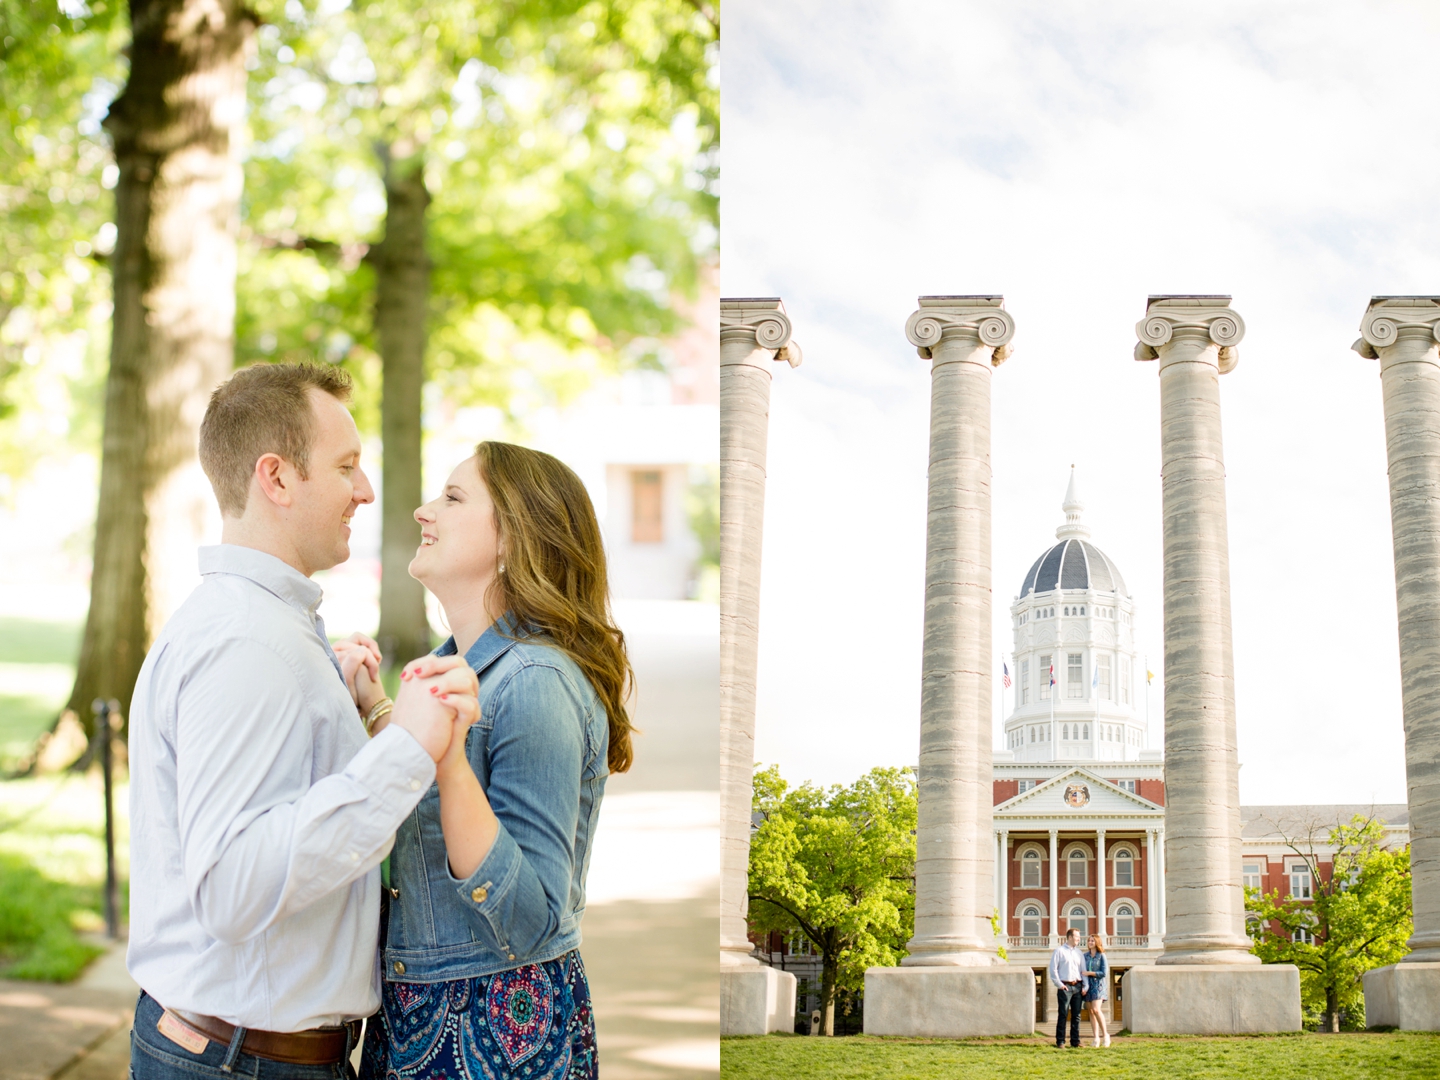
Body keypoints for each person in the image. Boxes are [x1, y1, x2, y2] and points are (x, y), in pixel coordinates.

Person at [126, 363, 480, 1080]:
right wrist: (408, 746)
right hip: (242, 1060)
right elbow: (232, 887)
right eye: (346, 465)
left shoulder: (270, 630)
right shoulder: (247, 644)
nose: (366, 490)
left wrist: (361, 711)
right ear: (277, 478)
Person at [356, 441, 634, 1080]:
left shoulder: (535, 680)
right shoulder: (459, 665)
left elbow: (532, 920)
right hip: (418, 1014)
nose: (424, 511)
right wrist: (375, 704)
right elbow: (423, 799)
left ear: (514, 540)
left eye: (453, 498)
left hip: (494, 1031)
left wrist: (451, 763)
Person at [1048, 927, 1087, 1048]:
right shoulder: (1059, 951)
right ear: (1070, 937)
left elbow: (1083, 971)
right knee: (1063, 1014)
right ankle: (1060, 1041)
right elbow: (1053, 970)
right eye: (1077, 937)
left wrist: (1085, 986)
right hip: (1065, 987)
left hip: (1077, 986)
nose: (1079, 940)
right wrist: (1060, 985)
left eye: (1079, 937)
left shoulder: (1079, 953)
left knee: (1077, 1016)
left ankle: (1075, 1041)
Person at [1084, 934, 1111, 1047]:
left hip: (1098, 985)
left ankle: (1105, 1035)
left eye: (1092, 941)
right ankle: (1096, 1038)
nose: (1090, 942)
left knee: (1096, 1009)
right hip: (1088, 985)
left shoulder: (1101, 956)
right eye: (1089, 941)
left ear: (1097, 942)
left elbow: (1104, 973)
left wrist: (1090, 973)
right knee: (1090, 1011)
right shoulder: (1085, 956)